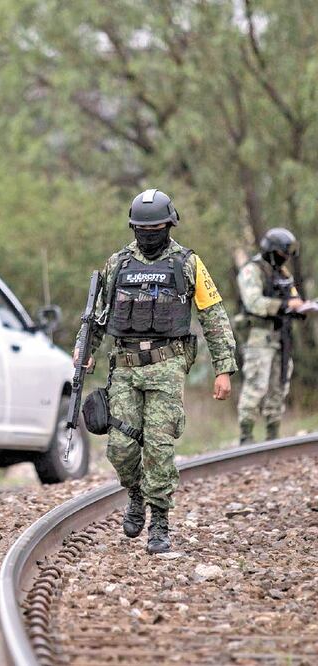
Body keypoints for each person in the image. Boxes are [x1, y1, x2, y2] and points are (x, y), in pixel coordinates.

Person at [75, 189, 237, 554]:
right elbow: (97, 315)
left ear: (169, 226)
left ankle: (159, 521)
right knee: (120, 448)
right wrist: (85, 351)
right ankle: (135, 493)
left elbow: (213, 316)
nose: (149, 235)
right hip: (125, 368)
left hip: (167, 365)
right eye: (142, 229)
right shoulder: (118, 264)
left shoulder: (187, 263)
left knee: (159, 448)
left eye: (156, 229)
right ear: (133, 228)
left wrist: (223, 368)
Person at [236, 228, 303, 444]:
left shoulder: (283, 274)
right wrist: (283, 306)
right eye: (283, 252)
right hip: (259, 338)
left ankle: (273, 437)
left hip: (282, 337)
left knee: (279, 388)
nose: (286, 257)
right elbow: (253, 302)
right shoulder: (252, 270)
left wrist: (300, 308)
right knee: (256, 387)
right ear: (272, 251)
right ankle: (246, 437)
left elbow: (292, 297)